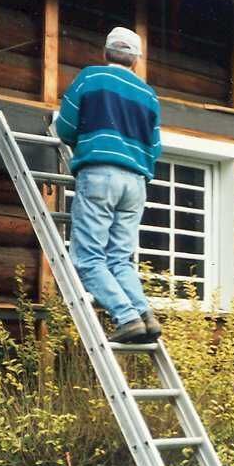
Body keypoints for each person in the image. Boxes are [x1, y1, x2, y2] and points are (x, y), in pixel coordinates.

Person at [55, 26, 163, 343]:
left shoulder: (91, 78)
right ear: (136, 61)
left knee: (88, 259)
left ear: (106, 53)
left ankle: (128, 317)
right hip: (136, 183)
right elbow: (155, 148)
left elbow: (65, 127)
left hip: (100, 175)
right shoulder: (149, 95)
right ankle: (144, 314)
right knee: (119, 258)